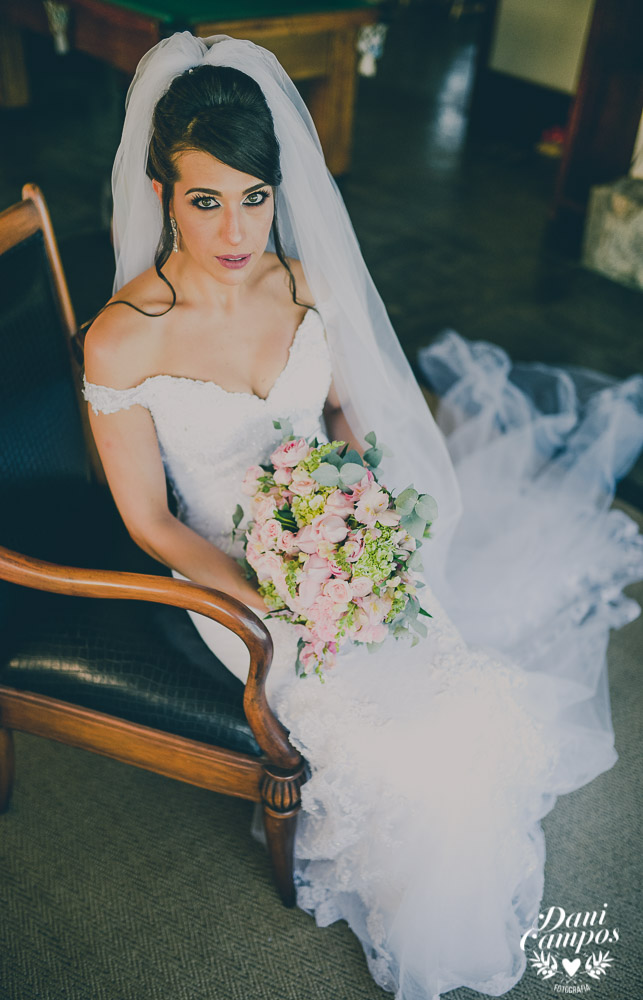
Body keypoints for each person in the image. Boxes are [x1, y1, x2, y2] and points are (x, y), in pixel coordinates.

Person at [82, 33, 643, 1000]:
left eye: (255, 197)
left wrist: (365, 503)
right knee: (384, 741)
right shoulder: (124, 338)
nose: (235, 229)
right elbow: (149, 523)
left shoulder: (298, 284)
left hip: (344, 542)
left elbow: (342, 411)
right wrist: (271, 592)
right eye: (205, 198)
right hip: (226, 574)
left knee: (448, 698)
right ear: (162, 190)